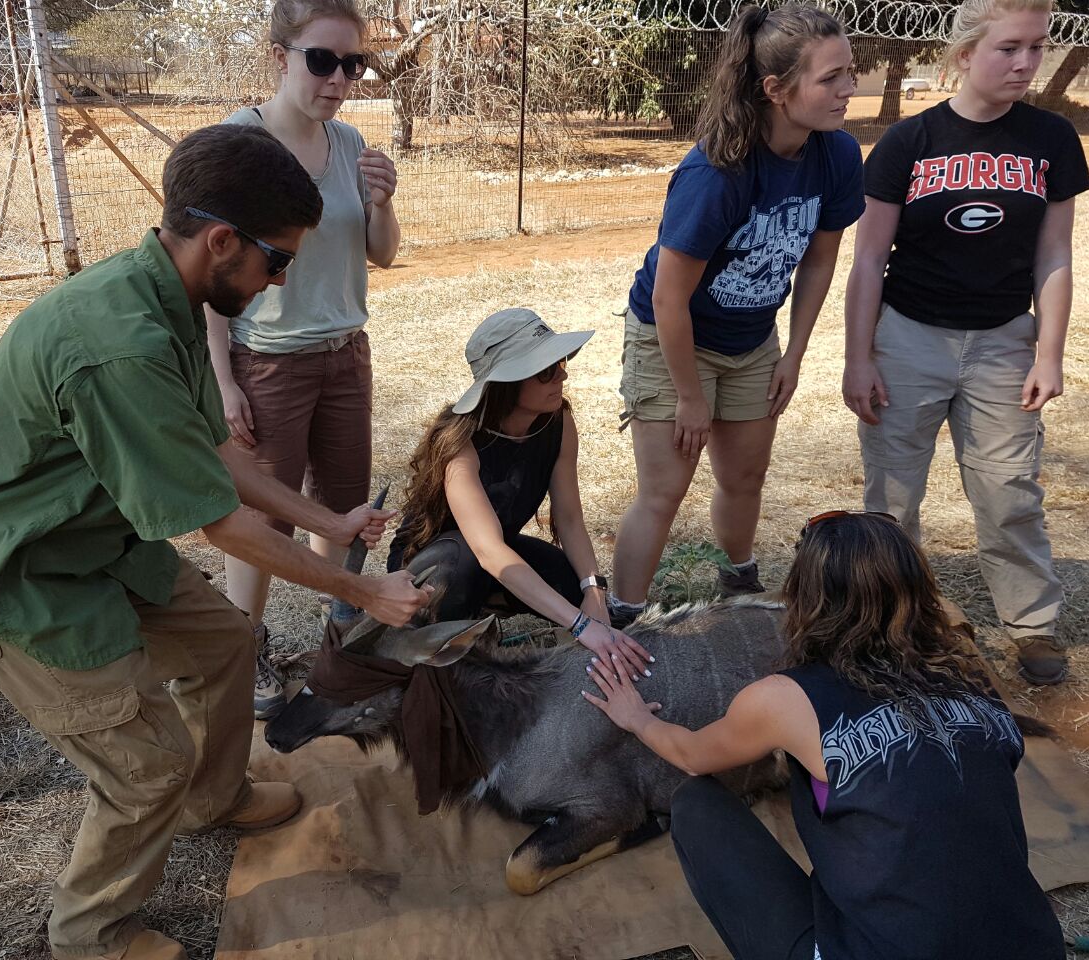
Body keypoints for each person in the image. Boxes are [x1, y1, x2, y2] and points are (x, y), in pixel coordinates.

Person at [0, 124, 430, 960]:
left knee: (224, 640)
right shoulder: (122, 345)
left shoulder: (174, 294)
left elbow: (218, 455)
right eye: (277, 260)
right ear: (221, 241)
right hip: (14, 567)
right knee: (146, 767)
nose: (281, 280)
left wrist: (331, 524)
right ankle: (91, 935)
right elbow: (221, 523)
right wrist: (364, 590)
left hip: (91, 535)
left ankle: (212, 801)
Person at [584, 511, 1065, 960]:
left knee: (697, 804)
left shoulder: (786, 698)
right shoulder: (972, 681)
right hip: (1033, 946)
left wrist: (637, 718)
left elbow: (691, 756)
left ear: (803, 597)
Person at [842, 0, 1089, 685]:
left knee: (1009, 491)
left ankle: (1032, 626)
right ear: (964, 54)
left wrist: (1049, 353)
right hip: (908, 338)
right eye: (1009, 48)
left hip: (1004, 341)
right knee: (892, 498)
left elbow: (1055, 255)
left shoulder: (1051, 138)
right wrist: (859, 358)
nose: (1026, 63)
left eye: (1037, 46)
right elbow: (868, 260)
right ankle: (890, 625)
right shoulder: (909, 142)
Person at [608, 3, 865, 627]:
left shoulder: (836, 154)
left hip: (752, 339)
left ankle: (738, 583)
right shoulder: (717, 173)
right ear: (776, 89)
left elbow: (819, 262)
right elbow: (668, 299)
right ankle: (622, 618)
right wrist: (690, 397)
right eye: (830, 78)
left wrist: (793, 355)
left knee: (746, 476)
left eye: (849, 73)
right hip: (674, 338)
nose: (848, 90)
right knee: (664, 491)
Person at [204, 0, 400, 719]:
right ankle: (243, 647)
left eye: (354, 64)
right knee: (262, 523)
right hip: (269, 362)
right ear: (279, 56)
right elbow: (213, 272)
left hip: (346, 355)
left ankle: (339, 646)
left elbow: (380, 253)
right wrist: (223, 380)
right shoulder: (240, 142)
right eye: (322, 60)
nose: (339, 79)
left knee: (344, 511)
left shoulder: (349, 142)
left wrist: (382, 202)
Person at [388, 308, 653, 679]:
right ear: (506, 382)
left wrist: (593, 591)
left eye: (560, 361)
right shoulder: (459, 443)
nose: (563, 374)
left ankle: (485, 610)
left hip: (495, 552)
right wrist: (580, 625)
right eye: (546, 370)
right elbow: (487, 551)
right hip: (436, 566)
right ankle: (440, 652)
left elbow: (570, 519)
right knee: (464, 560)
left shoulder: (558, 421)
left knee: (568, 581)